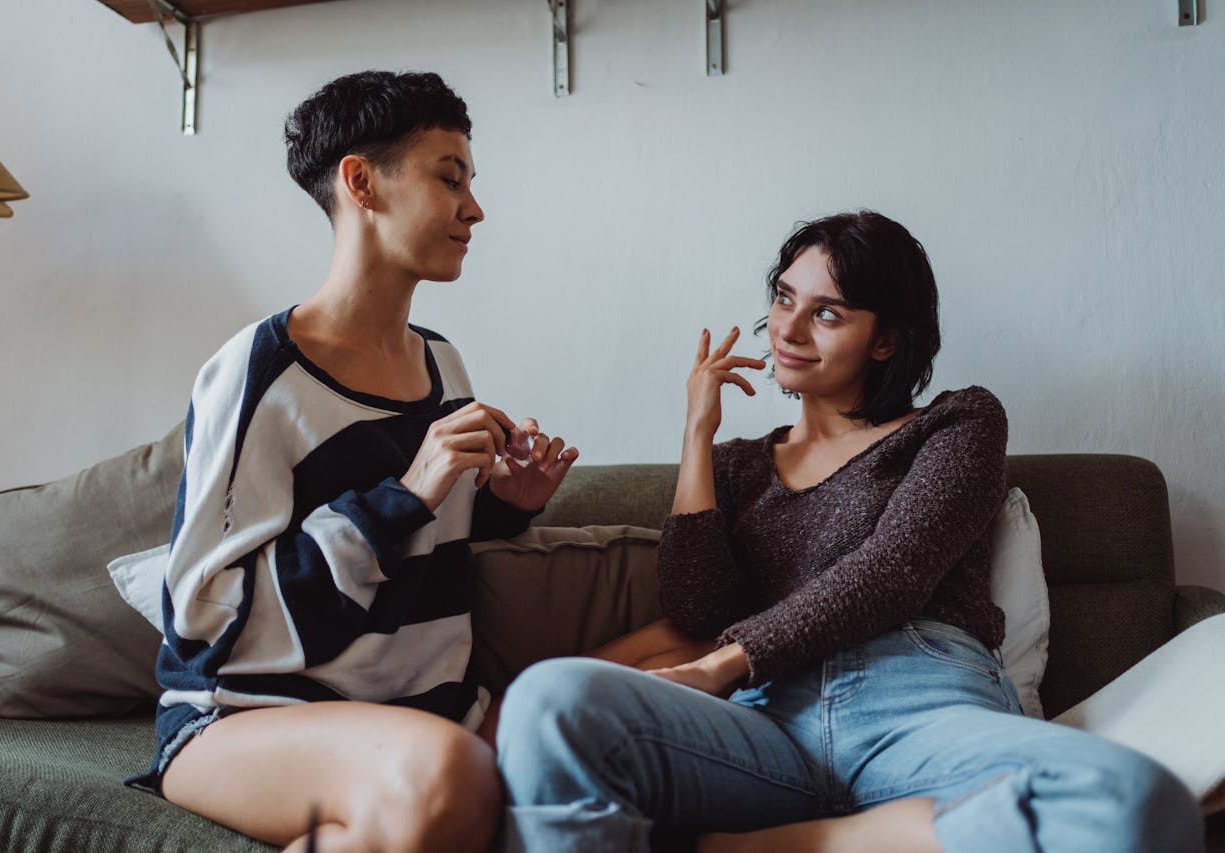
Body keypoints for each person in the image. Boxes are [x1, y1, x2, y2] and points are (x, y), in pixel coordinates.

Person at [495, 211, 1205, 853]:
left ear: (887, 340)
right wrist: (696, 432)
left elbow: (893, 571)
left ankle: (772, 845)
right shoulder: (738, 466)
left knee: (1131, 799)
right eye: (783, 298)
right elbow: (697, 607)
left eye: (827, 313)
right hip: (765, 726)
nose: (788, 330)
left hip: (917, 708)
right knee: (549, 702)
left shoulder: (955, 424)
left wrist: (719, 666)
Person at [127, 70, 578, 853]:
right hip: (244, 716)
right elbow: (204, 623)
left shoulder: (446, 366)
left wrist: (507, 500)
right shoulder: (260, 372)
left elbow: (427, 547)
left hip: (417, 714)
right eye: (450, 179)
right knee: (453, 773)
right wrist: (406, 491)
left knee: (621, 710)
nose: (475, 209)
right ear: (361, 182)